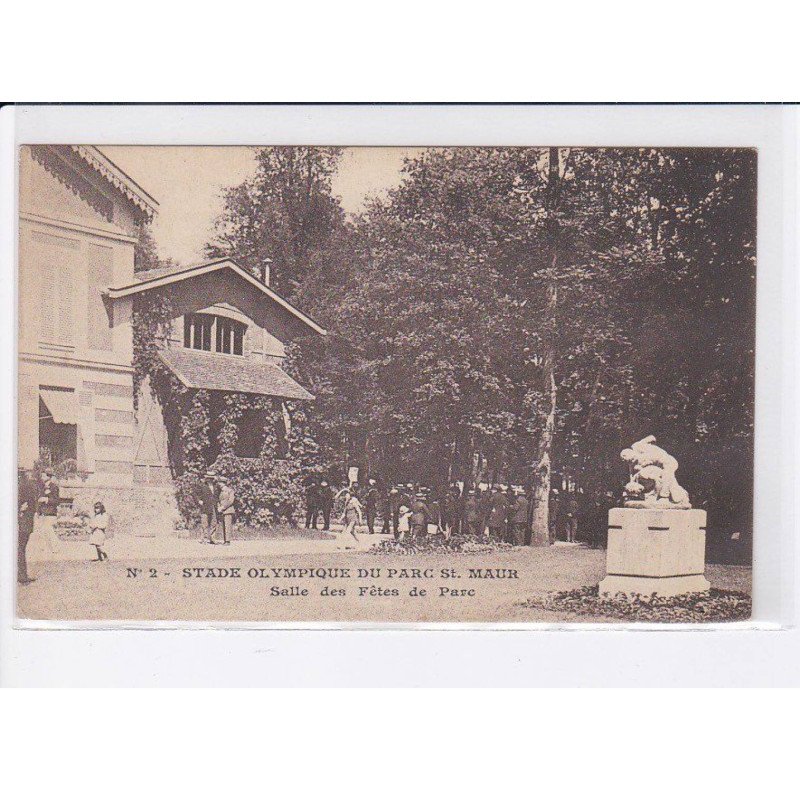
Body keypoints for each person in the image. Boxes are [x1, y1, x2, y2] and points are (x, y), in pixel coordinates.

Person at [17, 468, 38, 584]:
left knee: (19, 549)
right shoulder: (28, 485)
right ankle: (22, 575)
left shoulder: (22, 486)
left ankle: (21, 576)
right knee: (20, 549)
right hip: (25, 523)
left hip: (22, 522)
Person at [199, 472, 219, 544]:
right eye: (208, 478)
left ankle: (212, 538)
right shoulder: (202, 486)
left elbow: (218, 496)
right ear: (206, 478)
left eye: (211, 478)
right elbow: (195, 494)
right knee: (204, 522)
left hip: (213, 506)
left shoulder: (216, 486)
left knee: (214, 522)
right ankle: (203, 538)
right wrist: (199, 501)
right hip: (205, 506)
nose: (210, 480)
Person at [217, 477, 236, 545]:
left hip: (228, 510)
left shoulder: (230, 491)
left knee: (227, 525)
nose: (219, 484)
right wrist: (219, 507)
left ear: (224, 483)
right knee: (224, 525)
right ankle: (225, 540)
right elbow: (219, 501)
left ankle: (228, 540)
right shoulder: (220, 491)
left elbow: (231, 501)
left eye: (220, 482)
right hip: (222, 510)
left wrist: (223, 507)